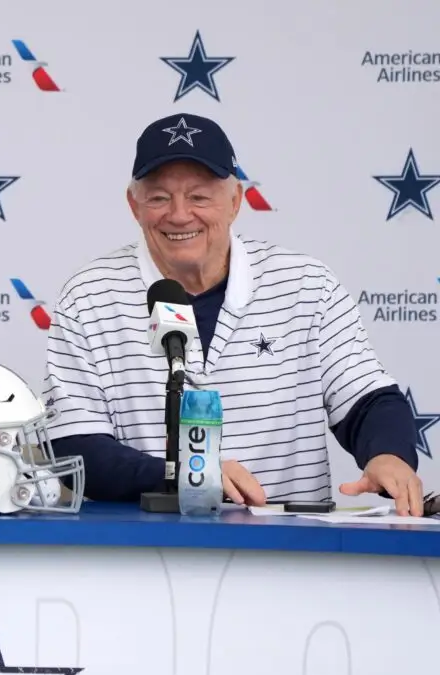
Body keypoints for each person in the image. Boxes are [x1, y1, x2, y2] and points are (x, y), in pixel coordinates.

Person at [43, 112, 425, 516]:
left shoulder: (307, 284)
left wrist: (389, 454)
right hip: (144, 554)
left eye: (199, 196)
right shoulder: (89, 294)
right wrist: (188, 477)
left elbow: (367, 400)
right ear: (133, 205)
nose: (178, 214)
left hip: (293, 556)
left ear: (235, 201)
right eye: (158, 197)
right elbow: (74, 446)